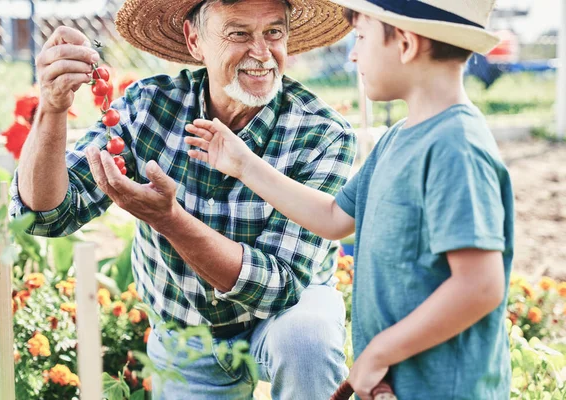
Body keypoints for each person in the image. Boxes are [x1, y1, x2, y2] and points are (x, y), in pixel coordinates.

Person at [9, 0, 359, 398]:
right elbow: (47, 215)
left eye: (273, 32)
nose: (261, 53)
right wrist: (52, 107)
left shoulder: (322, 131)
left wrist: (169, 220)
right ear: (195, 41)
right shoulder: (149, 106)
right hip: (186, 334)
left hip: (283, 318)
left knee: (307, 337)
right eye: (239, 33)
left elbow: (278, 287)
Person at [186, 0, 515, 398]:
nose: (354, 53)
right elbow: (333, 217)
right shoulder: (398, 139)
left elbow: (480, 286)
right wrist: (243, 163)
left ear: (407, 44)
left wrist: (378, 353)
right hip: (402, 382)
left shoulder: (455, 147)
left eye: (360, 36)